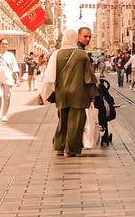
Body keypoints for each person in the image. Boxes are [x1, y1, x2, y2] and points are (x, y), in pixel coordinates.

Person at [41, 28, 98, 158]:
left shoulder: (56, 54)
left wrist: (43, 94)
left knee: (63, 120)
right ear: (75, 38)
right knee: (76, 122)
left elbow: (49, 75)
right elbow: (89, 77)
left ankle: (59, 147)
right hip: (78, 93)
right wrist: (93, 95)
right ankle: (70, 149)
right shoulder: (82, 55)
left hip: (61, 94)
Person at [0, 38, 21, 122]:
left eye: (6, 44)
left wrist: (17, 79)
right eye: (3, 43)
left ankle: (4, 114)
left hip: (8, 78)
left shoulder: (11, 55)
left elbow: (14, 68)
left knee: (7, 97)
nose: (4, 45)